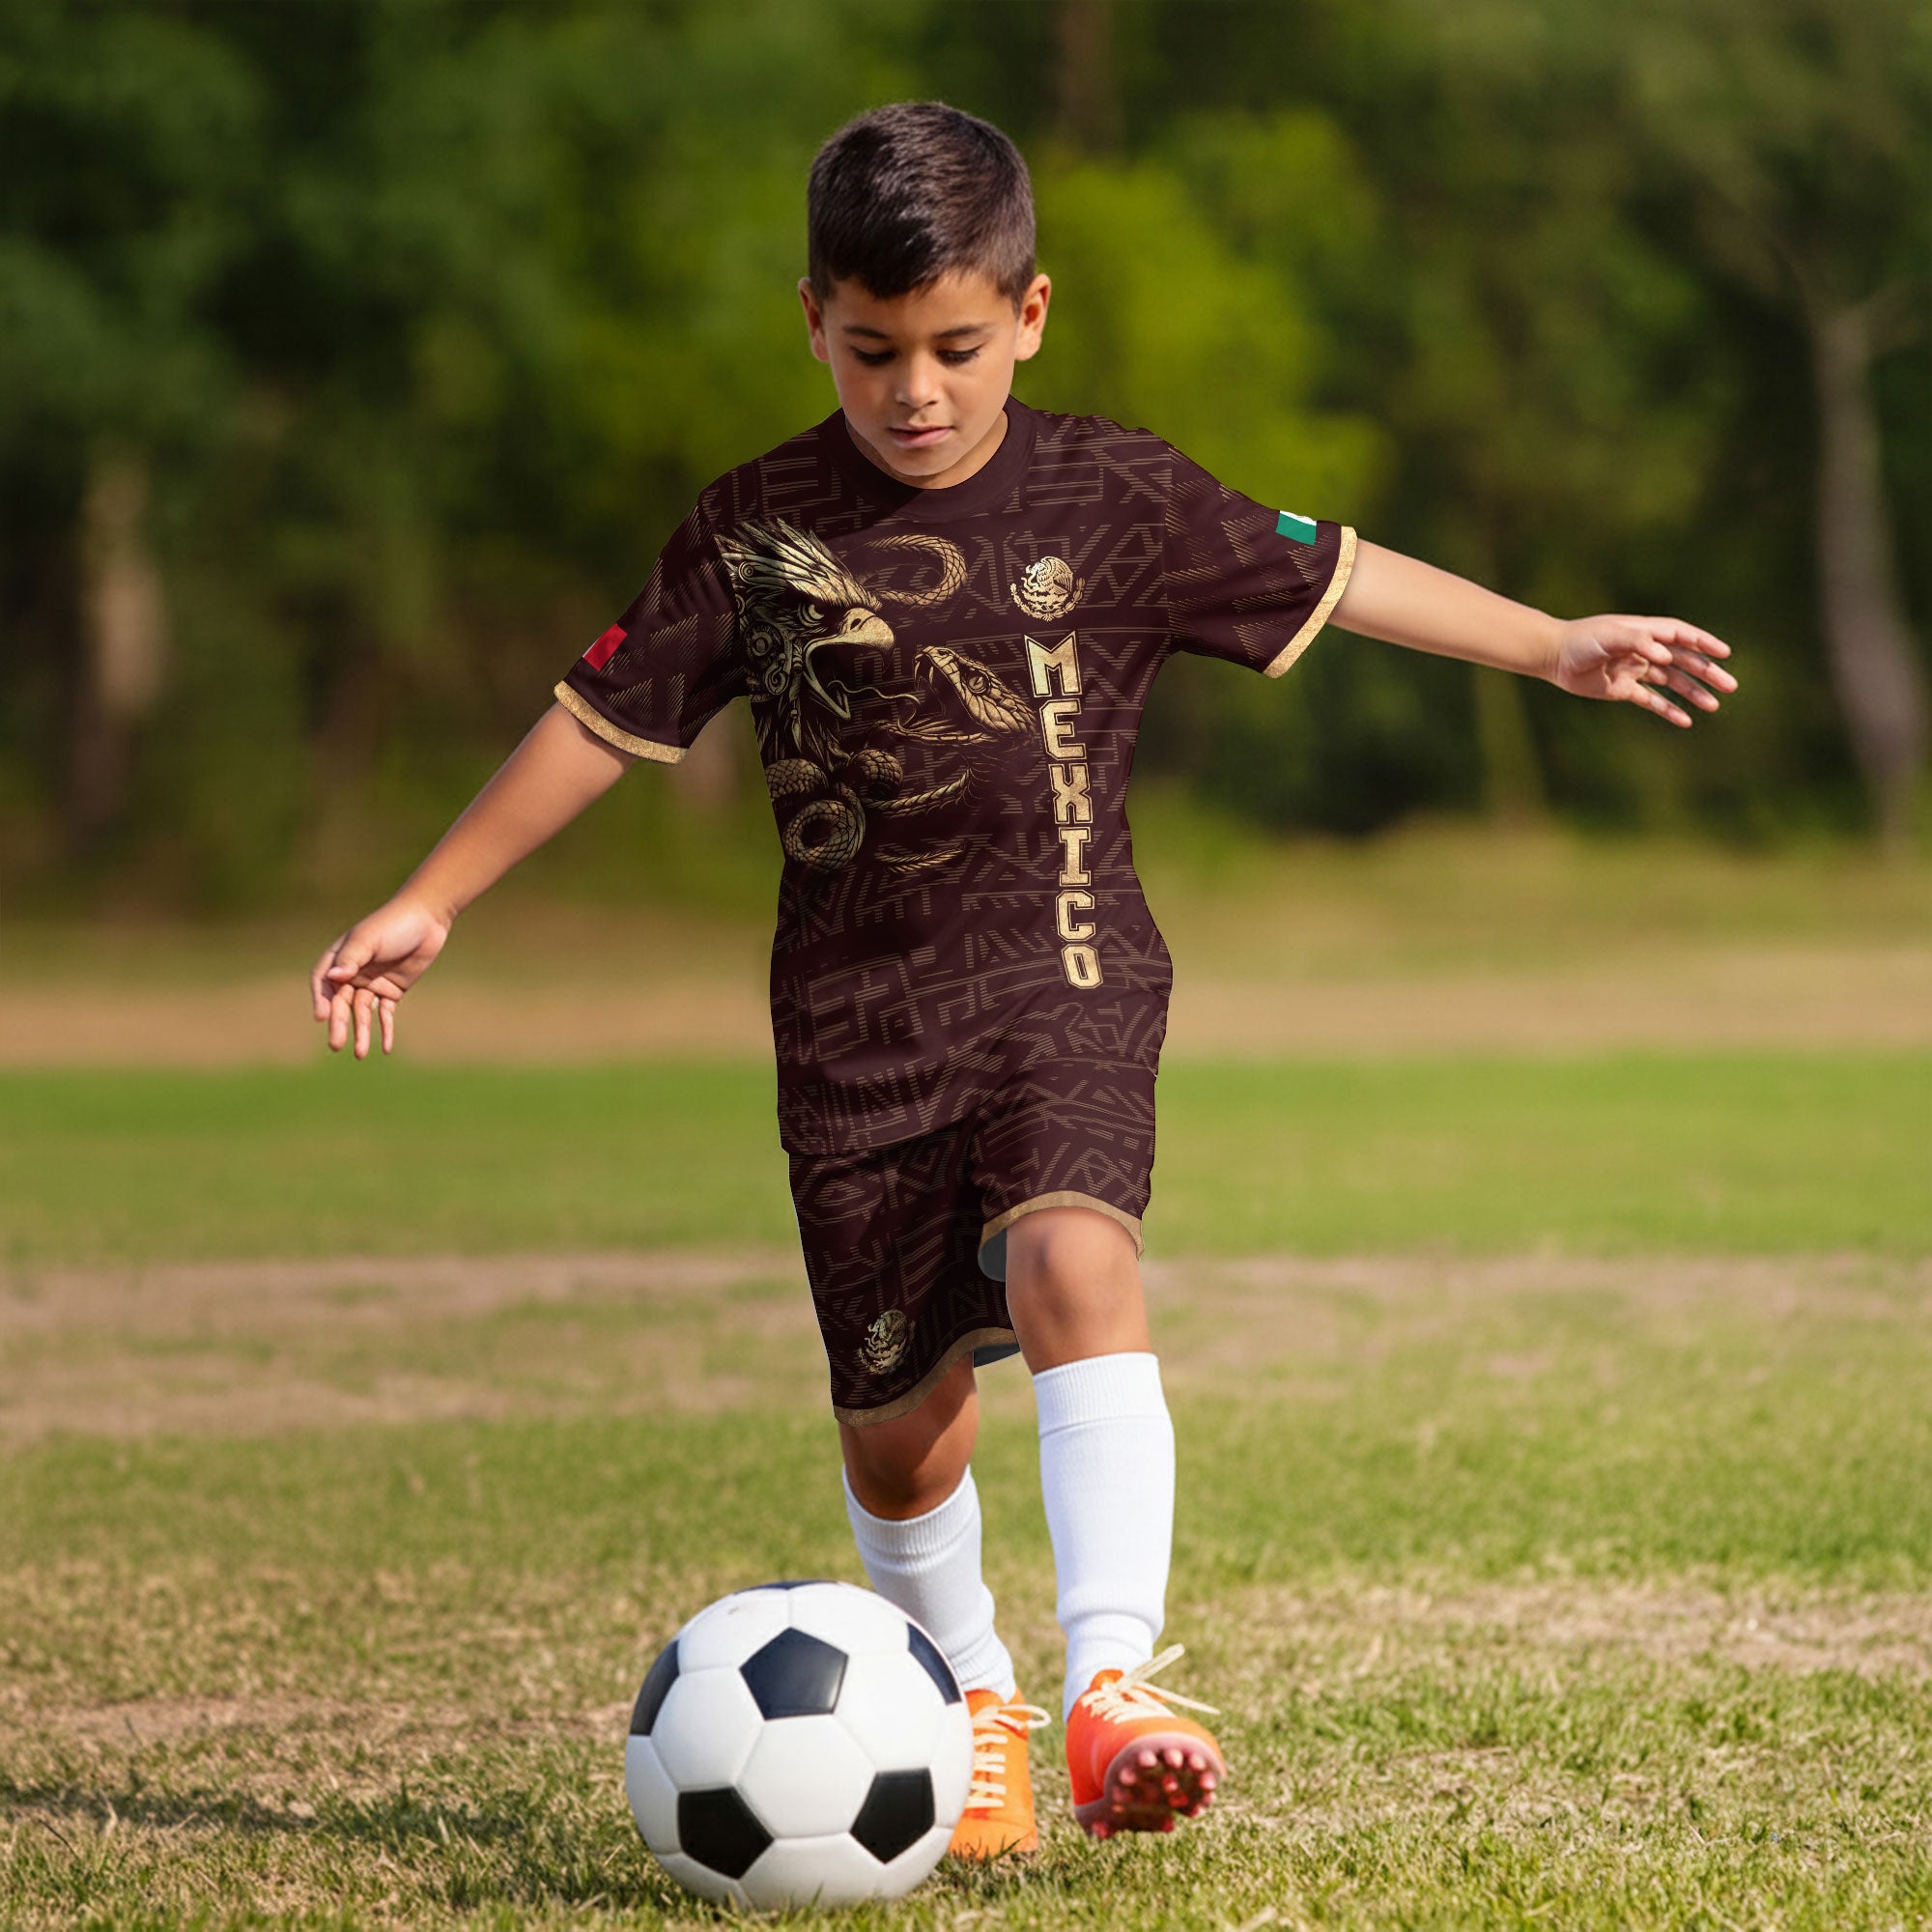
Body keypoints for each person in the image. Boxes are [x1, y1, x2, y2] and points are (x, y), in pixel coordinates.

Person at [310, 100, 1735, 1858]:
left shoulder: (1114, 493)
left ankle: (1110, 1685)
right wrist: (430, 895)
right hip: (850, 1032)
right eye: (874, 350)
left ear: (1031, 317)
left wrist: (1556, 643)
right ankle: (971, 1692)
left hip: (1068, 975)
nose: (918, 389)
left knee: (1077, 1256)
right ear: (814, 324)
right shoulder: (753, 529)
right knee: (904, 1436)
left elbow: (1341, 574)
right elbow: (601, 722)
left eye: (958, 349)